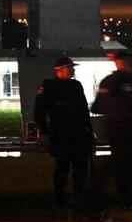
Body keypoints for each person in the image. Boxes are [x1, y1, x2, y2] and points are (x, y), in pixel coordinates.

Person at [92, 49, 132, 210]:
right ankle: (128, 201)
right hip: (124, 129)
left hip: (119, 128)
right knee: (125, 164)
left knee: (124, 164)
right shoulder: (124, 82)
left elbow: (98, 106)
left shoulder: (112, 81)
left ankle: (126, 199)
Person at [34, 56, 94, 210]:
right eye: (70, 67)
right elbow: (39, 112)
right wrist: (44, 132)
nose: (73, 70)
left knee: (80, 169)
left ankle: (78, 198)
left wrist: (89, 131)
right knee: (62, 168)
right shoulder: (48, 86)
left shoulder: (76, 85)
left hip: (79, 134)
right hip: (60, 135)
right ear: (59, 70)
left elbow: (83, 111)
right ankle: (60, 199)